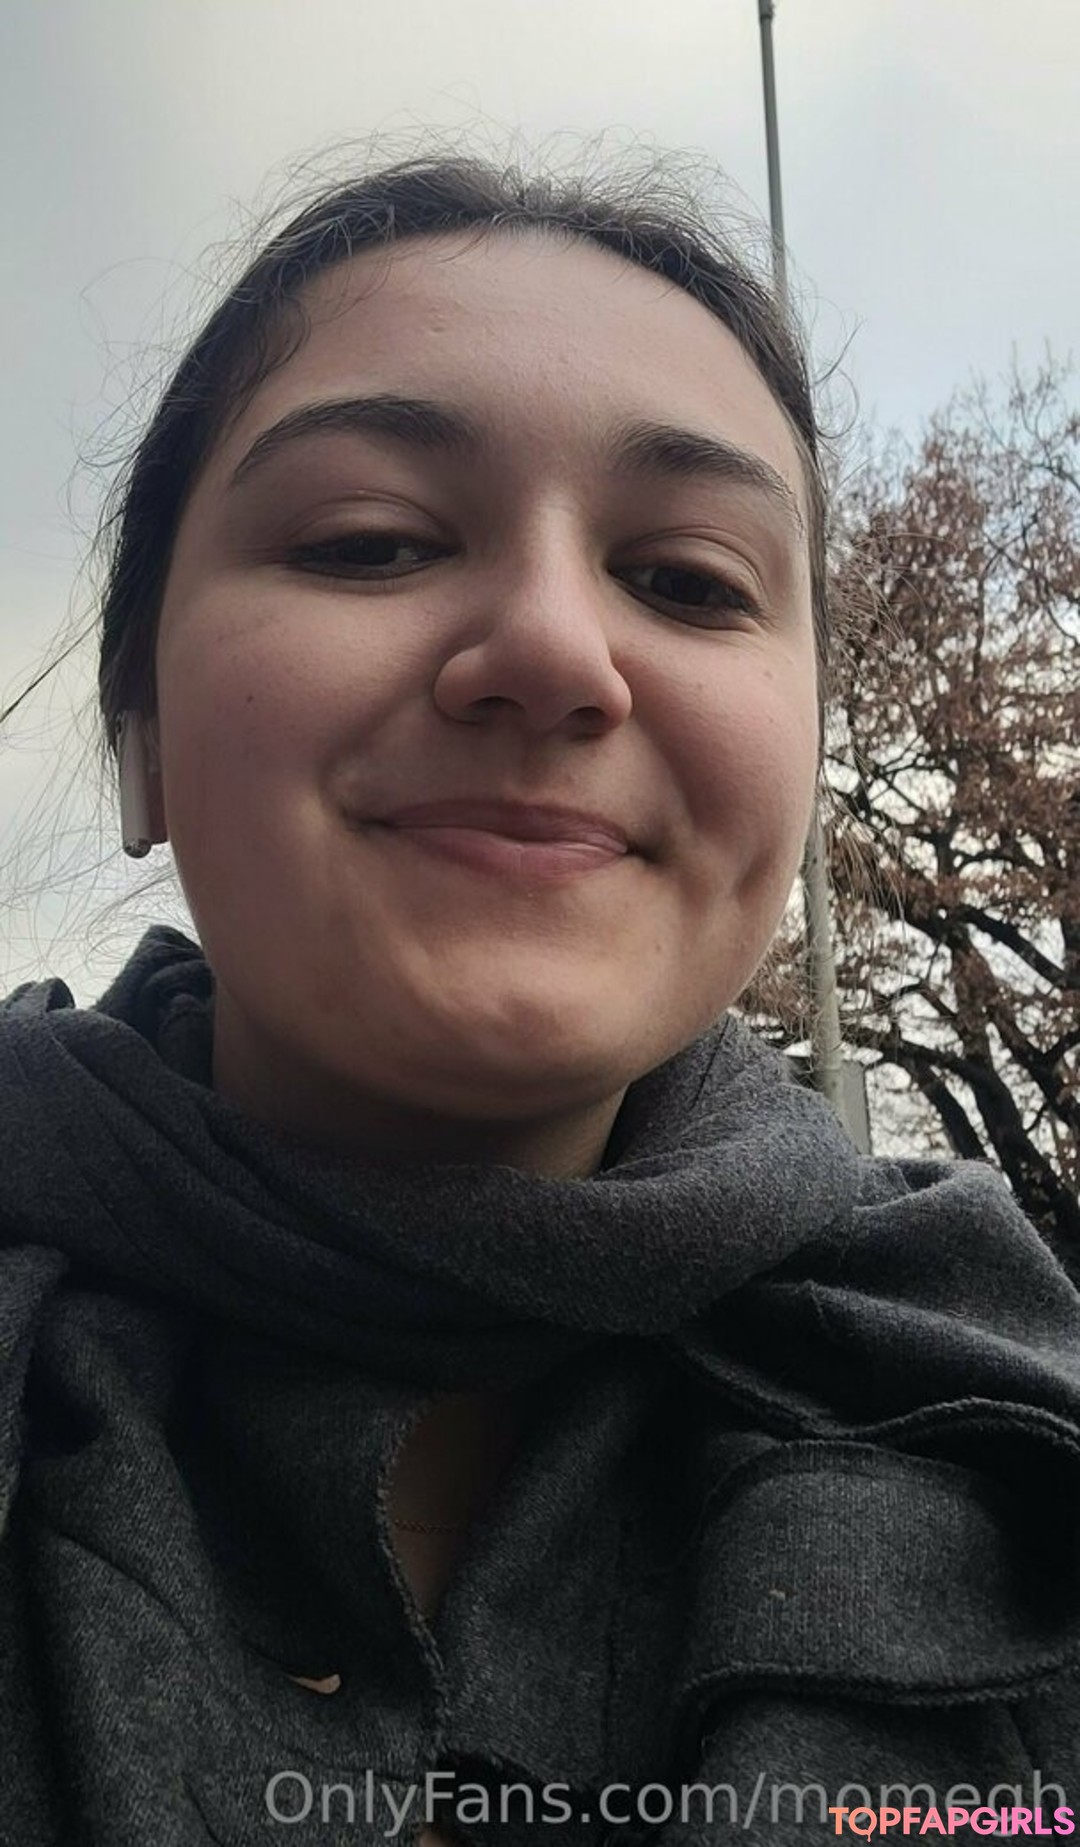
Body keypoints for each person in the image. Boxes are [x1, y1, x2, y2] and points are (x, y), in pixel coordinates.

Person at [2, 145, 1080, 1847]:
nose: (559, 652)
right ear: (137, 726)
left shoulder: (1014, 1419)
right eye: (369, 540)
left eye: (690, 581)